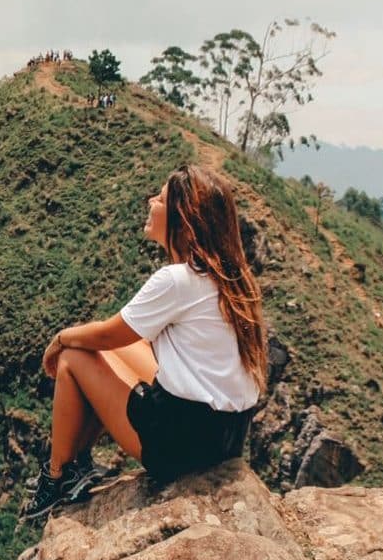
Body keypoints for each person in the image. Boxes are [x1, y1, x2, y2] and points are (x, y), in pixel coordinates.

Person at [21, 164, 266, 520]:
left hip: (179, 447)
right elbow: (120, 338)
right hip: (225, 438)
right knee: (110, 349)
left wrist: (59, 339)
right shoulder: (232, 278)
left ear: (182, 217)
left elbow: (107, 333)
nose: (150, 201)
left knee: (74, 357)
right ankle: (78, 462)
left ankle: (56, 476)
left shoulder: (178, 280)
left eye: (161, 198)